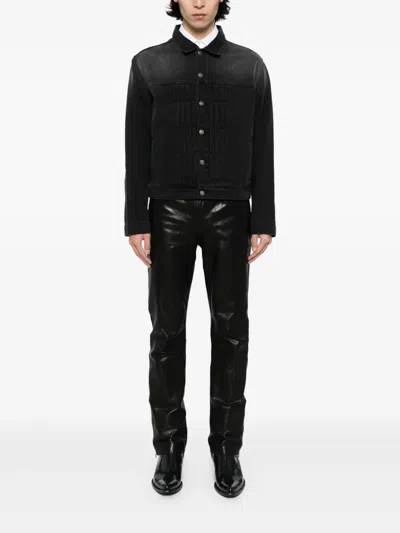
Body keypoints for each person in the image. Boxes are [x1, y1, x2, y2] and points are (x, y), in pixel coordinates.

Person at [124, 0, 276, 498]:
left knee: (231, 331)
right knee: (166, 331)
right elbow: (135, 147)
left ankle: (226, 447)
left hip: (232, 212)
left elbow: (264, 144)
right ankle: (169, 446)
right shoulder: (148, 65)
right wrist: (136, 219)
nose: (197, 1)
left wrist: (263, 217)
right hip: (167, 212)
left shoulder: (249, 66)